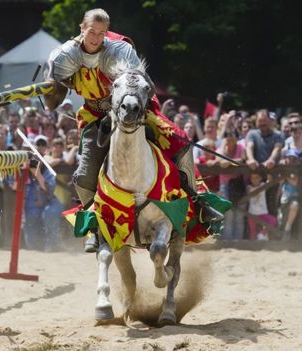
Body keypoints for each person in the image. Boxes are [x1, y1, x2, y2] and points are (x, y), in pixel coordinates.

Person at [45, 8, 223, 252]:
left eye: (101, 32)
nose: (96, 37)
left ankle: (198, 201)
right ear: (81, 28)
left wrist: (129, 107)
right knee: (85, 174)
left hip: (131, 111)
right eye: (91, 32)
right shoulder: (66, 55)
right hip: (95, 116)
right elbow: (54, 95)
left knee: (180, 142)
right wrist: (53, 87)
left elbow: (140, 84)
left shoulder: (120, 50)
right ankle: (94, 225)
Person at [247, 172, 278, 240]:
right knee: (253, 231)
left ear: (260, 178)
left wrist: (268, 171)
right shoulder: (248, 187)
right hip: (252, 213)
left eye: (256, 177)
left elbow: (270, 180)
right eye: (252, 178)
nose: (254, 179)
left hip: (263, 213)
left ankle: (261, 234)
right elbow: (250, 191)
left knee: (273, 221)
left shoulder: (263, 185)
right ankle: (253, 246)